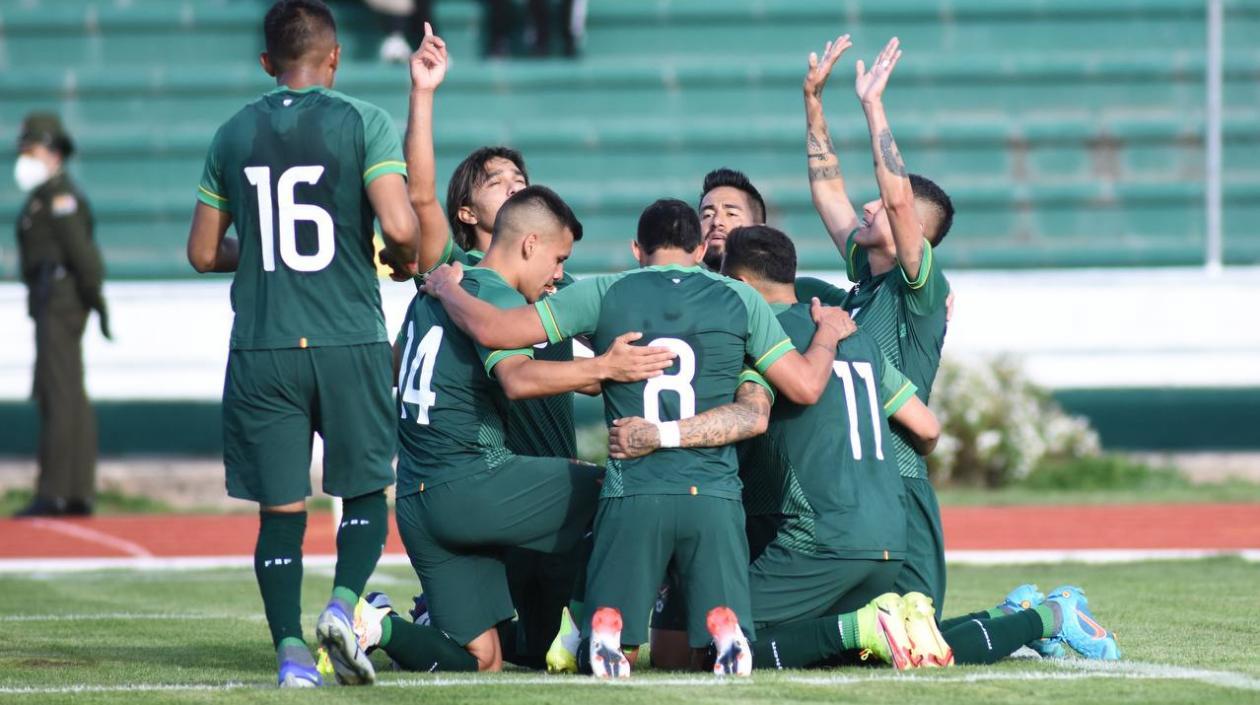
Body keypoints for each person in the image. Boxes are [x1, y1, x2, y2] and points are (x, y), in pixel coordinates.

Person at [421, 198, 858, 677]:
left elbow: (495, 328)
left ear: (637, 249)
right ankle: (723, 634)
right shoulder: (741, 298)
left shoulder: (605, 292)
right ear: (698, 249)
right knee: (709, 638)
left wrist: (448, 290)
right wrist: (826, 338)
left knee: (617, 638)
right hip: (712, 494)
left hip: (634, 490)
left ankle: (601, 630)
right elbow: (805, 386)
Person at [802, 33, 1119, 663]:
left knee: (919, 650)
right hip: (857, 487)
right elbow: (828, 193)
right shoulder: (864, 280)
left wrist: (872, 108)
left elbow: (891, 196)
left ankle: (1049, 615)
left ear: (910, 232)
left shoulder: (919, 289)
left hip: (901, 481)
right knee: (877, 645)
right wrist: (813, 101)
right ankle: (1022, 612)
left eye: (885, 208)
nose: (866, 207)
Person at [185, 0, 422, 687]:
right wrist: (398, 256)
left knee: (281, 509)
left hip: (263, 344)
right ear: (336, 56)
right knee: (366, 490)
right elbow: (401, 227)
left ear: (267, 63)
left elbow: (203, 251)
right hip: (348, 335)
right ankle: (344, 607)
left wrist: (262, 252)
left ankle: (291, 656)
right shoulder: (364, 121)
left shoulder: (232, 133)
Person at [352, 185, 677, 674]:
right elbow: (519, 378)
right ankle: (583, 630)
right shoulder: (496, 294)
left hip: (417, 500)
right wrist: (606, 368)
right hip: (469, 482)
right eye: (558, 257)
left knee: (484, 659)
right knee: (618, 488)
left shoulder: (438, 290)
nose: (559, 274)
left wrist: (595, 375)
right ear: (529, 244)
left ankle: (377, 624)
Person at [399, 27, 588, 669]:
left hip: (540, 478)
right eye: (494, 180)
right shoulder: (452, 270)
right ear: (467, 214)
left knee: (517, 656)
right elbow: (418, 194)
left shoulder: (554, 275)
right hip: (494, 481)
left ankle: (395, 625)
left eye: (519, 177)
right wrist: (423, 93)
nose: (511, 183)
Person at [12, 112, 109, 518]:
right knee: (62, 391)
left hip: (61, 299)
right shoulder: (43, 196)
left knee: (60, 391)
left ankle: (57, 491)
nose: (25, 158)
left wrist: (93, 299)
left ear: (52, 152)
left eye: (32, 150)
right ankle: (72, 489)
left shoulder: (61, 198)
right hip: (49, 299)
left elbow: (84, 257)